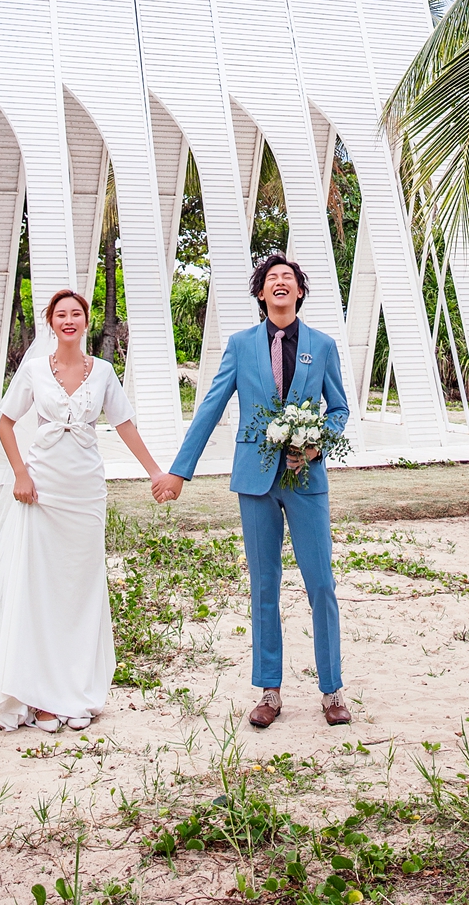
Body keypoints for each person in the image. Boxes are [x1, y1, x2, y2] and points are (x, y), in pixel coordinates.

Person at [0, 288, 164, 731]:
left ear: (86, 321)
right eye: (61, 314)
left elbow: (124, 424)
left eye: (76, 314)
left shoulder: (103, 372)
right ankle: (40, 697)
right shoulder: (34, 371)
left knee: (79, 590)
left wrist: (156, 472)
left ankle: (75, 692)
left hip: (86, 492)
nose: (68, 320)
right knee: (41, 588)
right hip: (43, 489)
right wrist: (20, 474)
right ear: (51, 322)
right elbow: (5, 424)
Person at [152, 254, 352, 730]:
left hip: (306, 479)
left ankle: (332, 690)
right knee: (264, 584)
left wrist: (315, 445)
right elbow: (211, 405)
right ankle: (269, 690)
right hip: (254, 479)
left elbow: (339, 409)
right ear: (261, 293)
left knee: (321, 583)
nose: (280, 283)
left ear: (299, 292)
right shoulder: (241, 345)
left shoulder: (323, 345)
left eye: (288, 278)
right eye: (271, 279)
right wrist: (180, 471)